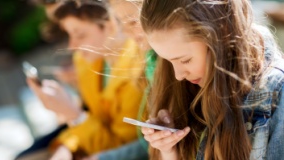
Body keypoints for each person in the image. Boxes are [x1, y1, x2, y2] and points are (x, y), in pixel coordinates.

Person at [139, 0, 284, 160]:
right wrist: (169, 152)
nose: (178, 75)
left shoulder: (277, 93)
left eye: (185, 60)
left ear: (222, 34)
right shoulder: (185, 87)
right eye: (168, 61)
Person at [17, 0, 145, 160]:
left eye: (80, 35)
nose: (72, 46)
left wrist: (72, 114)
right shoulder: (85, 62)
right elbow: (92, 115)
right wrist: (66, 147)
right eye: (69, 35)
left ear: (109, 25)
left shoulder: (137, 76)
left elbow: (120, 148)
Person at [82, 0, 158, 159]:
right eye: (121, 23)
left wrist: (74, 117)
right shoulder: (149, 60)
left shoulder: (138, 67)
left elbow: (123, 140)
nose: (125, 31)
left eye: (132, 22)